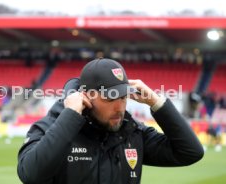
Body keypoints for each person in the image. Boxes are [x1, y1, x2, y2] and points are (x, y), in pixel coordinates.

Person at [17, 58, 204, 184]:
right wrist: (71, 115)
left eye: (123, 97)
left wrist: (157, 103)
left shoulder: (130, 132)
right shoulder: (52, 127)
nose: (119, 107)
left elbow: (190, 152)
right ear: (86, 97)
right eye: (110, 98)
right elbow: (30, 174)